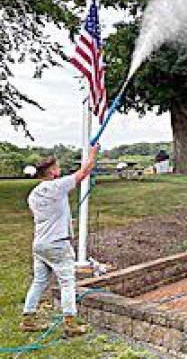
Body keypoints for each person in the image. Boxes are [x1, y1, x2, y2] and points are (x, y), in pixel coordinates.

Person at [20, 144, 99, 336]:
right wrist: (94, 151)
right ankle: (70, 323)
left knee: (39, 281)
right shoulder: (58, 185)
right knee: (67, 282)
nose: (60, 169)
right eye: (57, 167)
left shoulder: (33, 194)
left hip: (40, 244)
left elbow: (40, 216)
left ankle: (27, 319)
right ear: (52, 172)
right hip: (57, 244)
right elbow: (85, 171)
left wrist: (63, 220)